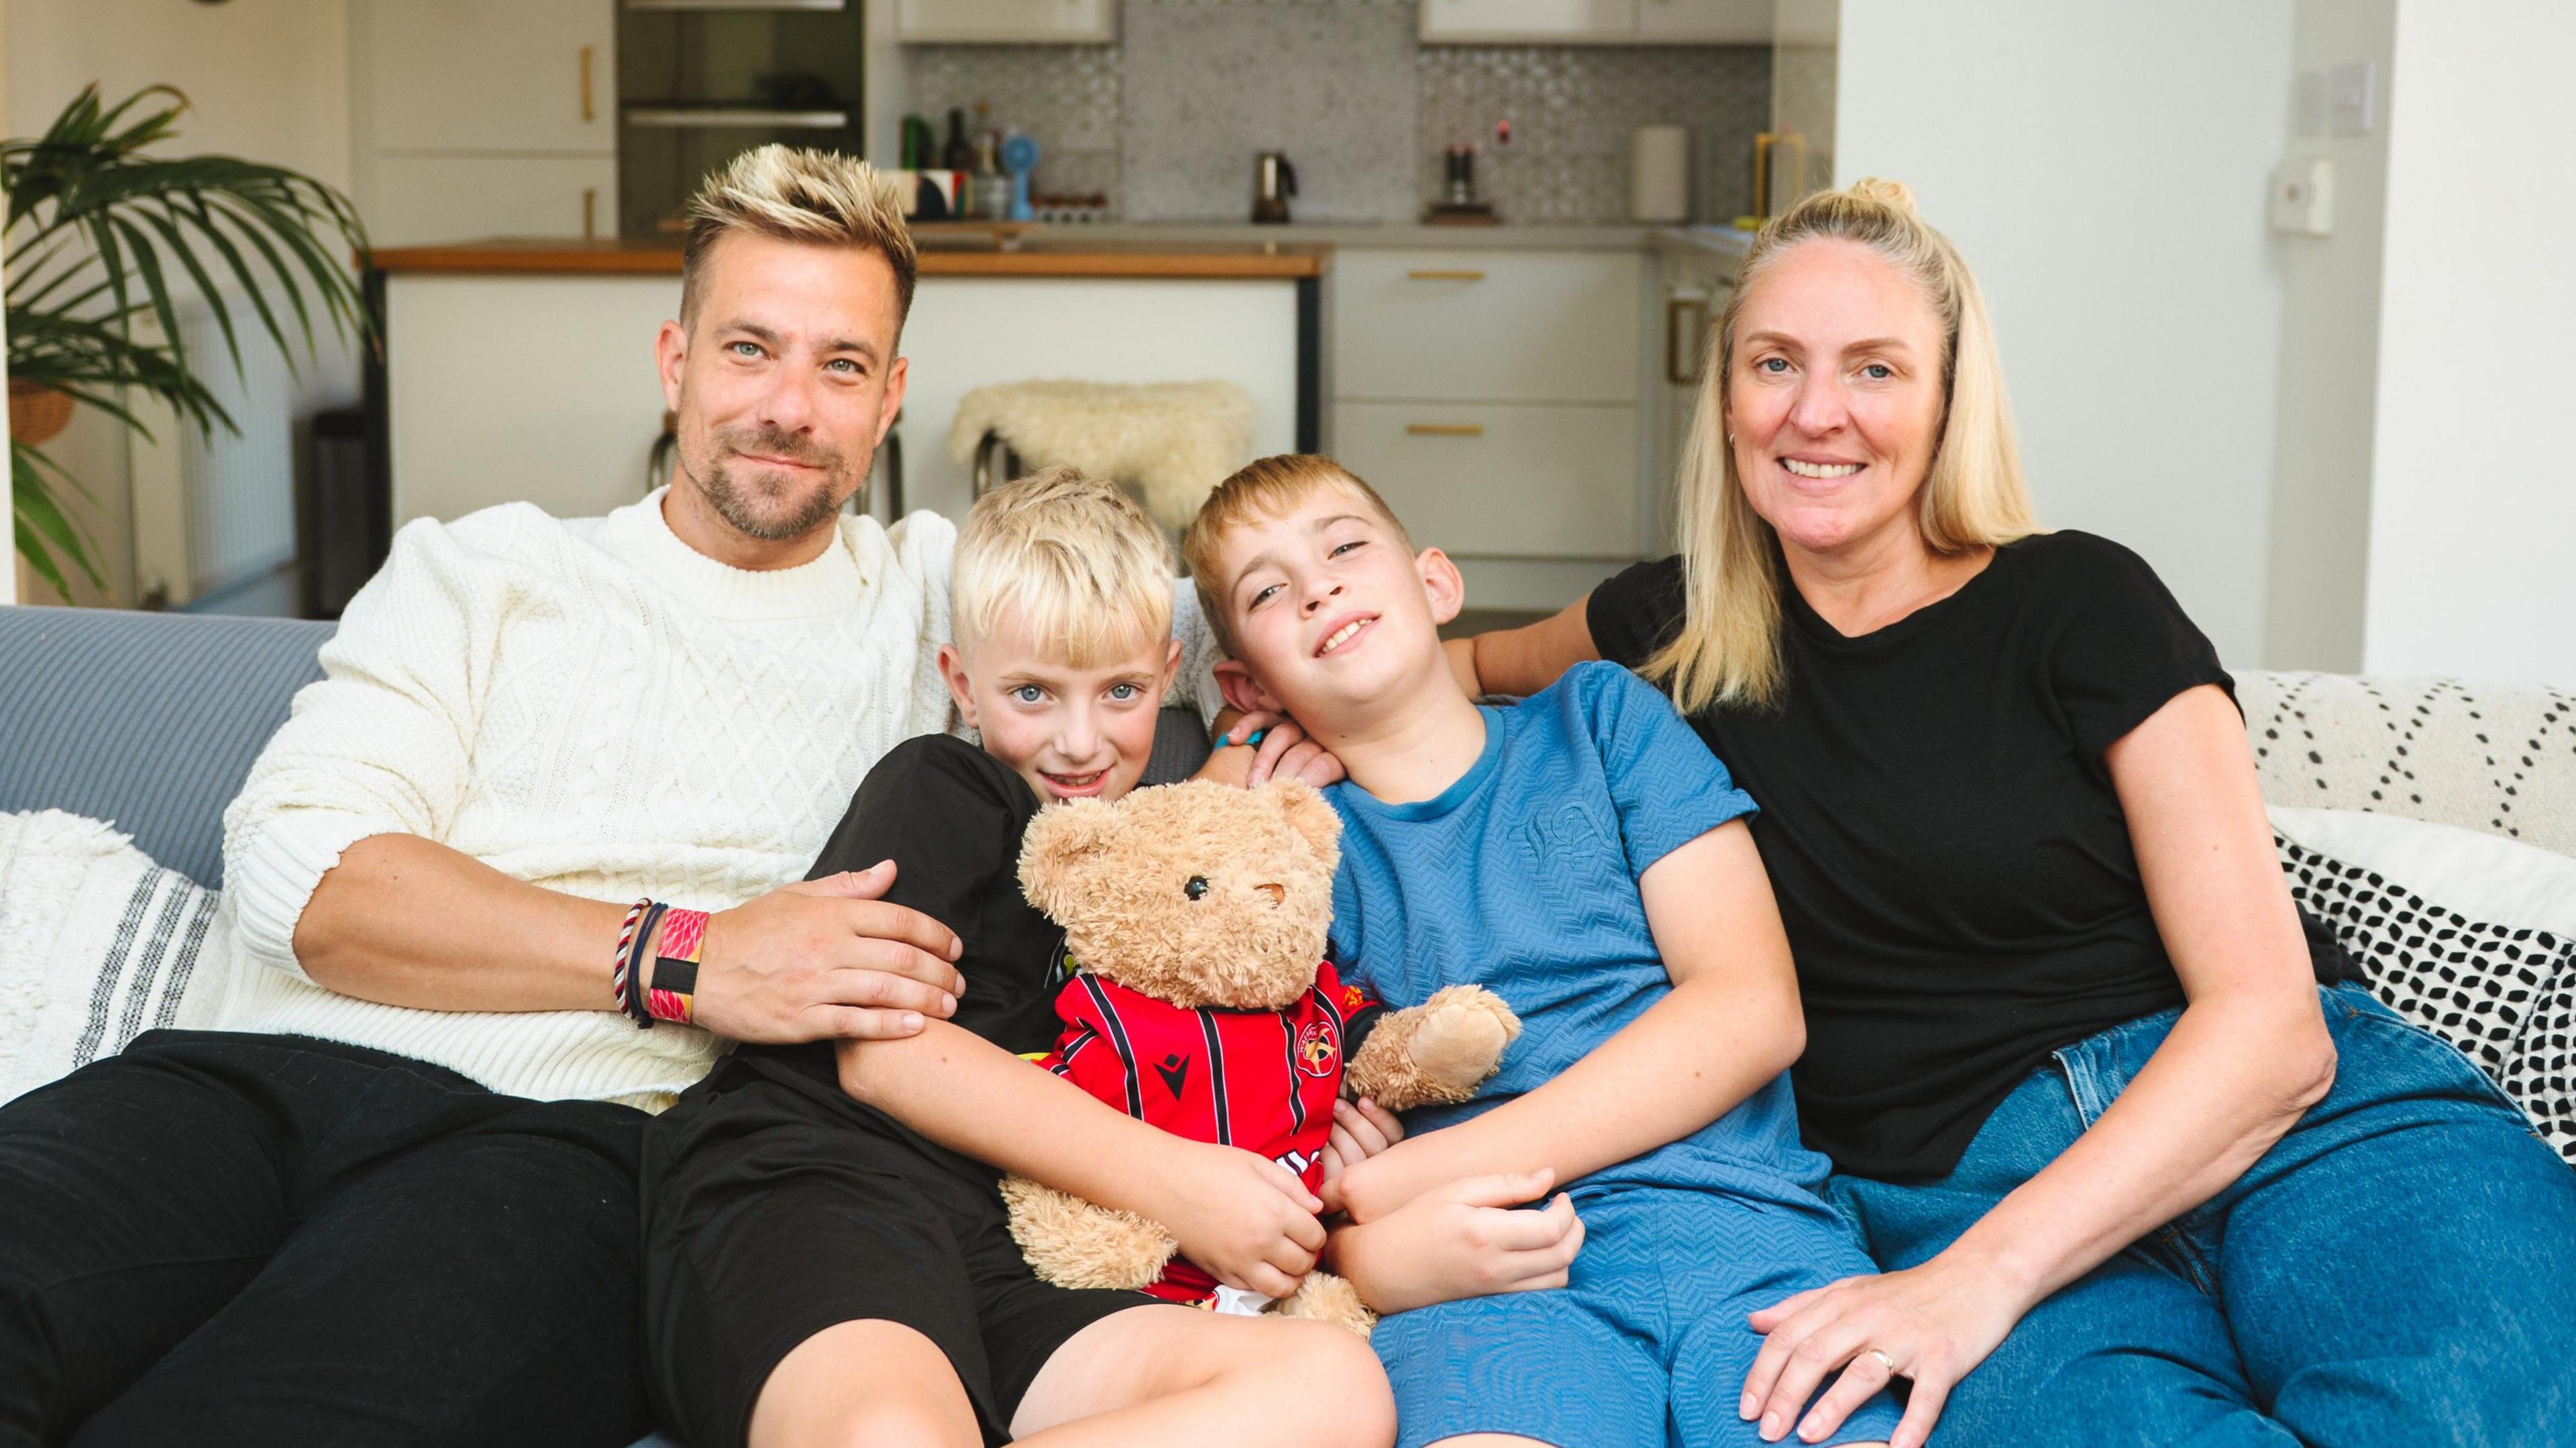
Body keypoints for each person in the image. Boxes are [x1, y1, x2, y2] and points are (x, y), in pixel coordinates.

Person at [0, 146, 1220, 1447]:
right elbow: (299, 872)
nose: (789, 407)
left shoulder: (947, 601)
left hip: (565, 1154)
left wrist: (1451, 665)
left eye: (841, 366)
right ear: (674, 361)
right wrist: (689, 955)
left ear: (891, 399)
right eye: (749, 349)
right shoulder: (483, 569)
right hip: (233, 1089)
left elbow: (1288, 628)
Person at [1435, 179, 2576, 1447]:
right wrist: (1270, 715)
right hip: (1950, 1193)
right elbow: (1444, 676)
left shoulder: (2083, 600)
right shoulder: (1672, 625)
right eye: (1776, 365)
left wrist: (1978, 1282)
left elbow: (2273, 1031)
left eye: (1875, 369)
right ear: (1727, 395)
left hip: (2295, 1133)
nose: (1818, 414)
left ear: (1946, 400)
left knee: (2479, 1416)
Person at [639, 467, 1394, 1448]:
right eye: (1031, 693)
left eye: (1119, 692)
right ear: (961, 684)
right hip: (825, 1185)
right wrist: (1180, 1183)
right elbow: (885, 1051)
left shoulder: (1161, 870)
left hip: (1008, 1250)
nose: (1078, 744)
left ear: (1168, 677)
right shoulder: (948, 788)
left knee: (1333, 1389)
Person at [1184, 455, 1901, 1448]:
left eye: (1346, 545)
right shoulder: (1288, 868)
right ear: (1246, 680)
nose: (1319, 585)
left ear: (1437, 583)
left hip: (1745, 1240)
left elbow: (1752, 1009)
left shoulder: (1601, 719)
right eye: (1270, 590)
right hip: (1488, 1284)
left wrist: (1397, 1186)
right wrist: (1373, 1250)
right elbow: (1267, 1140)